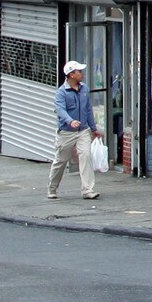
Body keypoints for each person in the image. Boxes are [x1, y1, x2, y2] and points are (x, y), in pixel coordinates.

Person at [49, 60, 99, 200]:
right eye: (79, 72)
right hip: (66, 132)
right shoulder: (61, 93)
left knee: (86, 156)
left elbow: (88, 109)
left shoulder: (85, 89)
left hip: (83, 130)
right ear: (71, 74)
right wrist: (70, 121)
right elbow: (60, 110)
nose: (82, 74)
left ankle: (88, 190)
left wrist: (93, 128)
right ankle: (52, 188)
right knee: (61, 160)